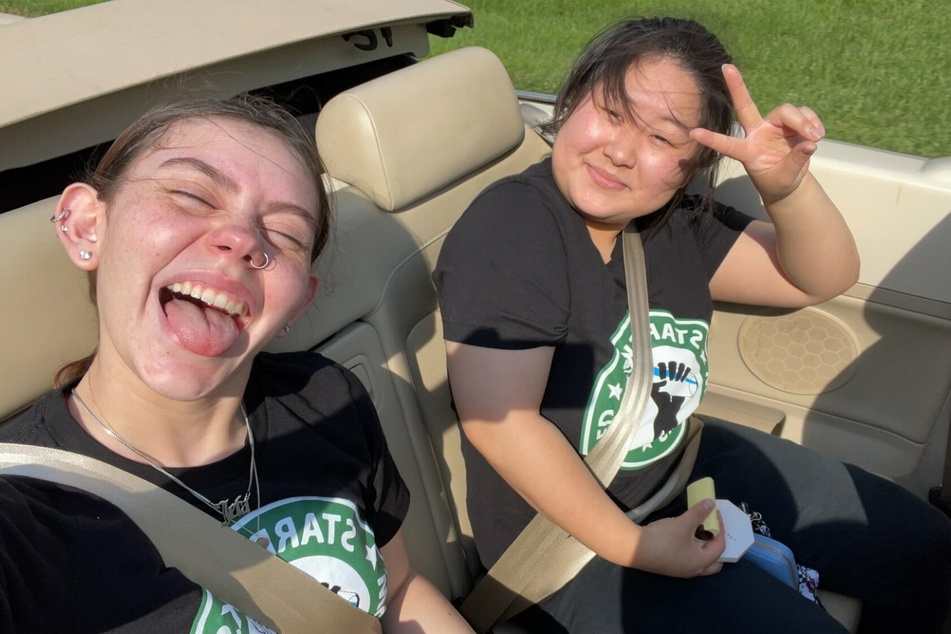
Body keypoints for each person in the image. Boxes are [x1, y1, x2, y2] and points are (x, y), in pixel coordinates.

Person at [433, 16, 951, 634]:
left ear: (693, 165)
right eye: (613, 112)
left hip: (684, 467)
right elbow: (504, 426)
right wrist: (640, 546)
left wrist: (784, 189)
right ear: (571, 102)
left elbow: (819, 276)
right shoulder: (514, 226)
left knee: (925, 545)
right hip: (569, 546)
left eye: (663, 139)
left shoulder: (670, 225)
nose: (621, 152)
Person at [0, 95, 474, 633]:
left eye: (287, 235)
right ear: (86, 224)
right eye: (191, 195)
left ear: (299, 302)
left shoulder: (327, 400)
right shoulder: (25, 516)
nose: (244, 240)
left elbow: (399, 593)